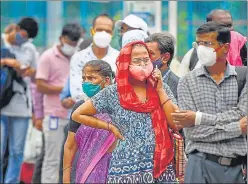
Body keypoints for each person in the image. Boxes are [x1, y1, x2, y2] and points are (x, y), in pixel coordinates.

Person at [72, 41, 179, 183]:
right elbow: (78, 114)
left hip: (160, 165)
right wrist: (109, 127)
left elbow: (176, 122)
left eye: (146, 60)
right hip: (125, 167)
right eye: (136, 60)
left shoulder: (161, 87)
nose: (142, 64)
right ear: (125, 63)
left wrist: (159, 90)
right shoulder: (113, 93)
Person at [173, 21, 247, 183]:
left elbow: (244, 116)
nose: (201, 48)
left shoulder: (243, 78)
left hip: (235, 169)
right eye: (199, 43)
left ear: (225, 48)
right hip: (199, 165)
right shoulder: (187, 81)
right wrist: (236, 127)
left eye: (208, 43)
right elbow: (192, 133)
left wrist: (198, 118)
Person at [35, 23, 81, 183]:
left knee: (70, 160)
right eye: (69, 43)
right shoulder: (48, 57)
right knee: (52, 158)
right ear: (61, 38)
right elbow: (39, 85)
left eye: (75, 44)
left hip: (74, 117)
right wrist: (64, 89)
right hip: (54, 115)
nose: (72, 46)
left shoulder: (78, 57)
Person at [63, 60, 116, 183]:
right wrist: (66, 178)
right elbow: (70, 146)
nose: (86, 82)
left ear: (107, 81)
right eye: (84, 78)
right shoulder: (80, 108)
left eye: (91, 78)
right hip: (86, 171)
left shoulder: (118, 107)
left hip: (114, 170)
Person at [0, 17, 39, 184]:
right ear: (16, 28)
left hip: (21, 106)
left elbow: (37, 77)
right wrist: (8, 62)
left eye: (27, 37)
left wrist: (28, 71)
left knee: (17, 151)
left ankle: (11, 181)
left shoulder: (30, 49)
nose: (23, 38)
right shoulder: (2, 42)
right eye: (22, 34)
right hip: (2, 105)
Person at [178, 9, 247, 77]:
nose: (228, 30)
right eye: (222, 27)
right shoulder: (193, 55)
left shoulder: (240, 46)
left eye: (230, 25)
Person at [70, 14, 119, 102]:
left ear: (112, 33)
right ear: (92, 30)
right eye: (99, 30)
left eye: (107, 31)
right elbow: (77, 93)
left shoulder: (119, 58)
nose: (103, 34)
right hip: (83, 111)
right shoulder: (78, 58)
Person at [145, 32, 179, 99]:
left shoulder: (179, 85)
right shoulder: (139, 81)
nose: (145, 57)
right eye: (145, 53)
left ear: (165, 58)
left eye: (150, 54)